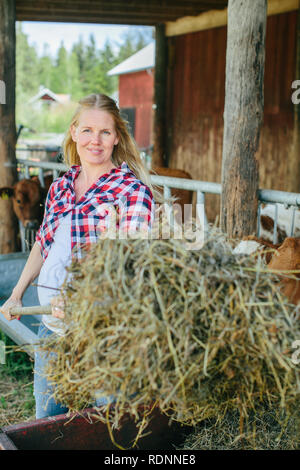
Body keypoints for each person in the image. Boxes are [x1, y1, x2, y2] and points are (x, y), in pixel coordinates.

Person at [0, 93, 159, 419]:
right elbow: (43, 244)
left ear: (117, 137)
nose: (95, 141)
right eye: (87, 130)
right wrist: (17, 293)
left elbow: (128, 265)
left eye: (104, 132)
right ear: (74, 132)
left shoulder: (132, 192)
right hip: (53, 328)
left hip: (105, 334)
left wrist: (79, 296)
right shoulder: (61, 186)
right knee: (49, 422)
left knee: (112, 425)